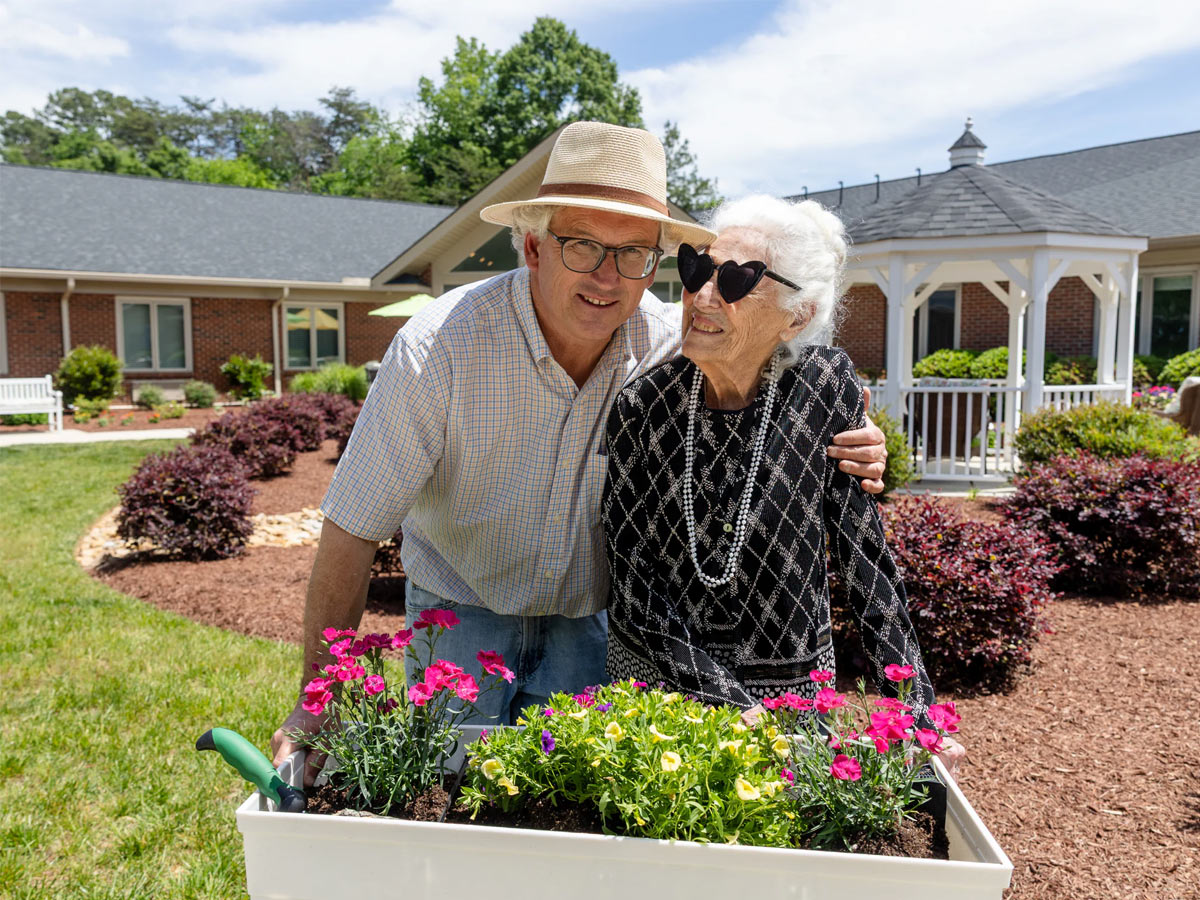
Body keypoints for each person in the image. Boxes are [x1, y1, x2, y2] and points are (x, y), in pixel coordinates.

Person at [271, 123, 890, 781]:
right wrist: (319, 698)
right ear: (534, 247)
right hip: (461, 612)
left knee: (574, 806)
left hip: (592, 625)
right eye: (583, 246)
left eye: (633, 253)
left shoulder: (670, 348)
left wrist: (851, 435)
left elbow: (768, 372)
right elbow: (353, 527)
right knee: (449, 797)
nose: (607, 276)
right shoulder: (441, 350)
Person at [602, 194, 965, 777]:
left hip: (791, 693)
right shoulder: (642, 407)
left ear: (797, 317)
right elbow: (631, 578)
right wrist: (725, 701)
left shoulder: (826, 387)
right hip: (662, 689)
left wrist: (917, 713)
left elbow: (865, 559)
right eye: (696, 269)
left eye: (736, 280)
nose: (702, 295)